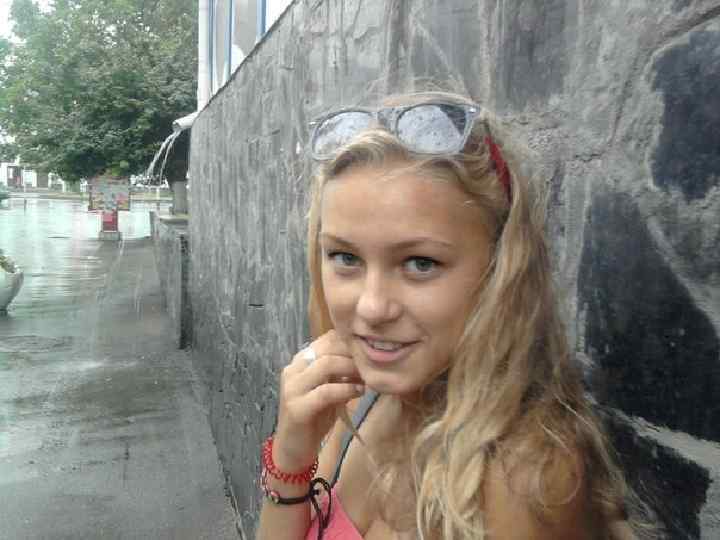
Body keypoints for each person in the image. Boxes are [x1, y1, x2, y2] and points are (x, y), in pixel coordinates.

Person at [258, 91, 653, 540]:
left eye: (420, 263)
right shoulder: (357, 396)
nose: (371, 307)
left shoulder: (522, 477)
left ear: (501, 269)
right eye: (345, 257)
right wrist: (290, 458)